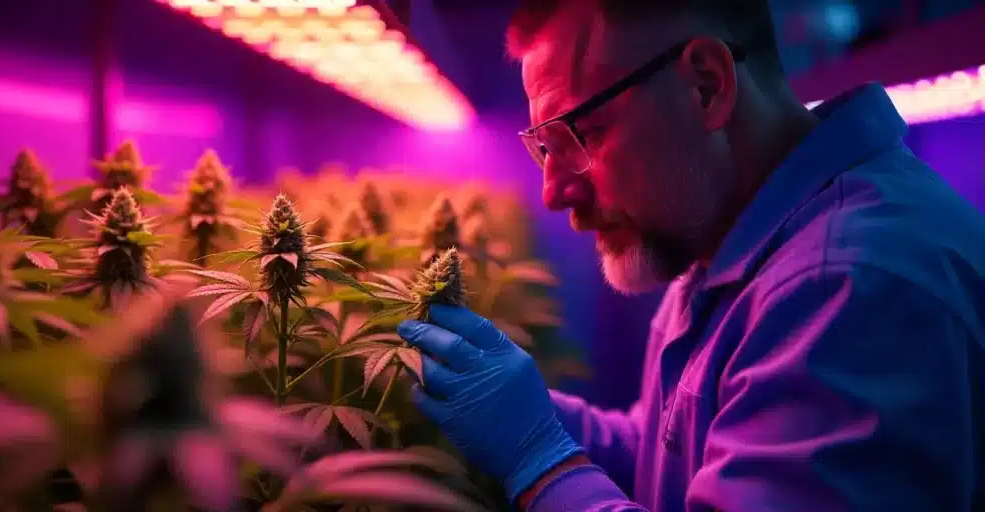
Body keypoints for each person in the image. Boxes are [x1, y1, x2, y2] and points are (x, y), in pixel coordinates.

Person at [396, 0, 985, 510]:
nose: (553, 193)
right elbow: (673, 453)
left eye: (582, 133)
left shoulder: (850, 288)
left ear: (706, 86)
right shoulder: (729, 234)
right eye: (545, 147)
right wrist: (528, 415)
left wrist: (538, 458)